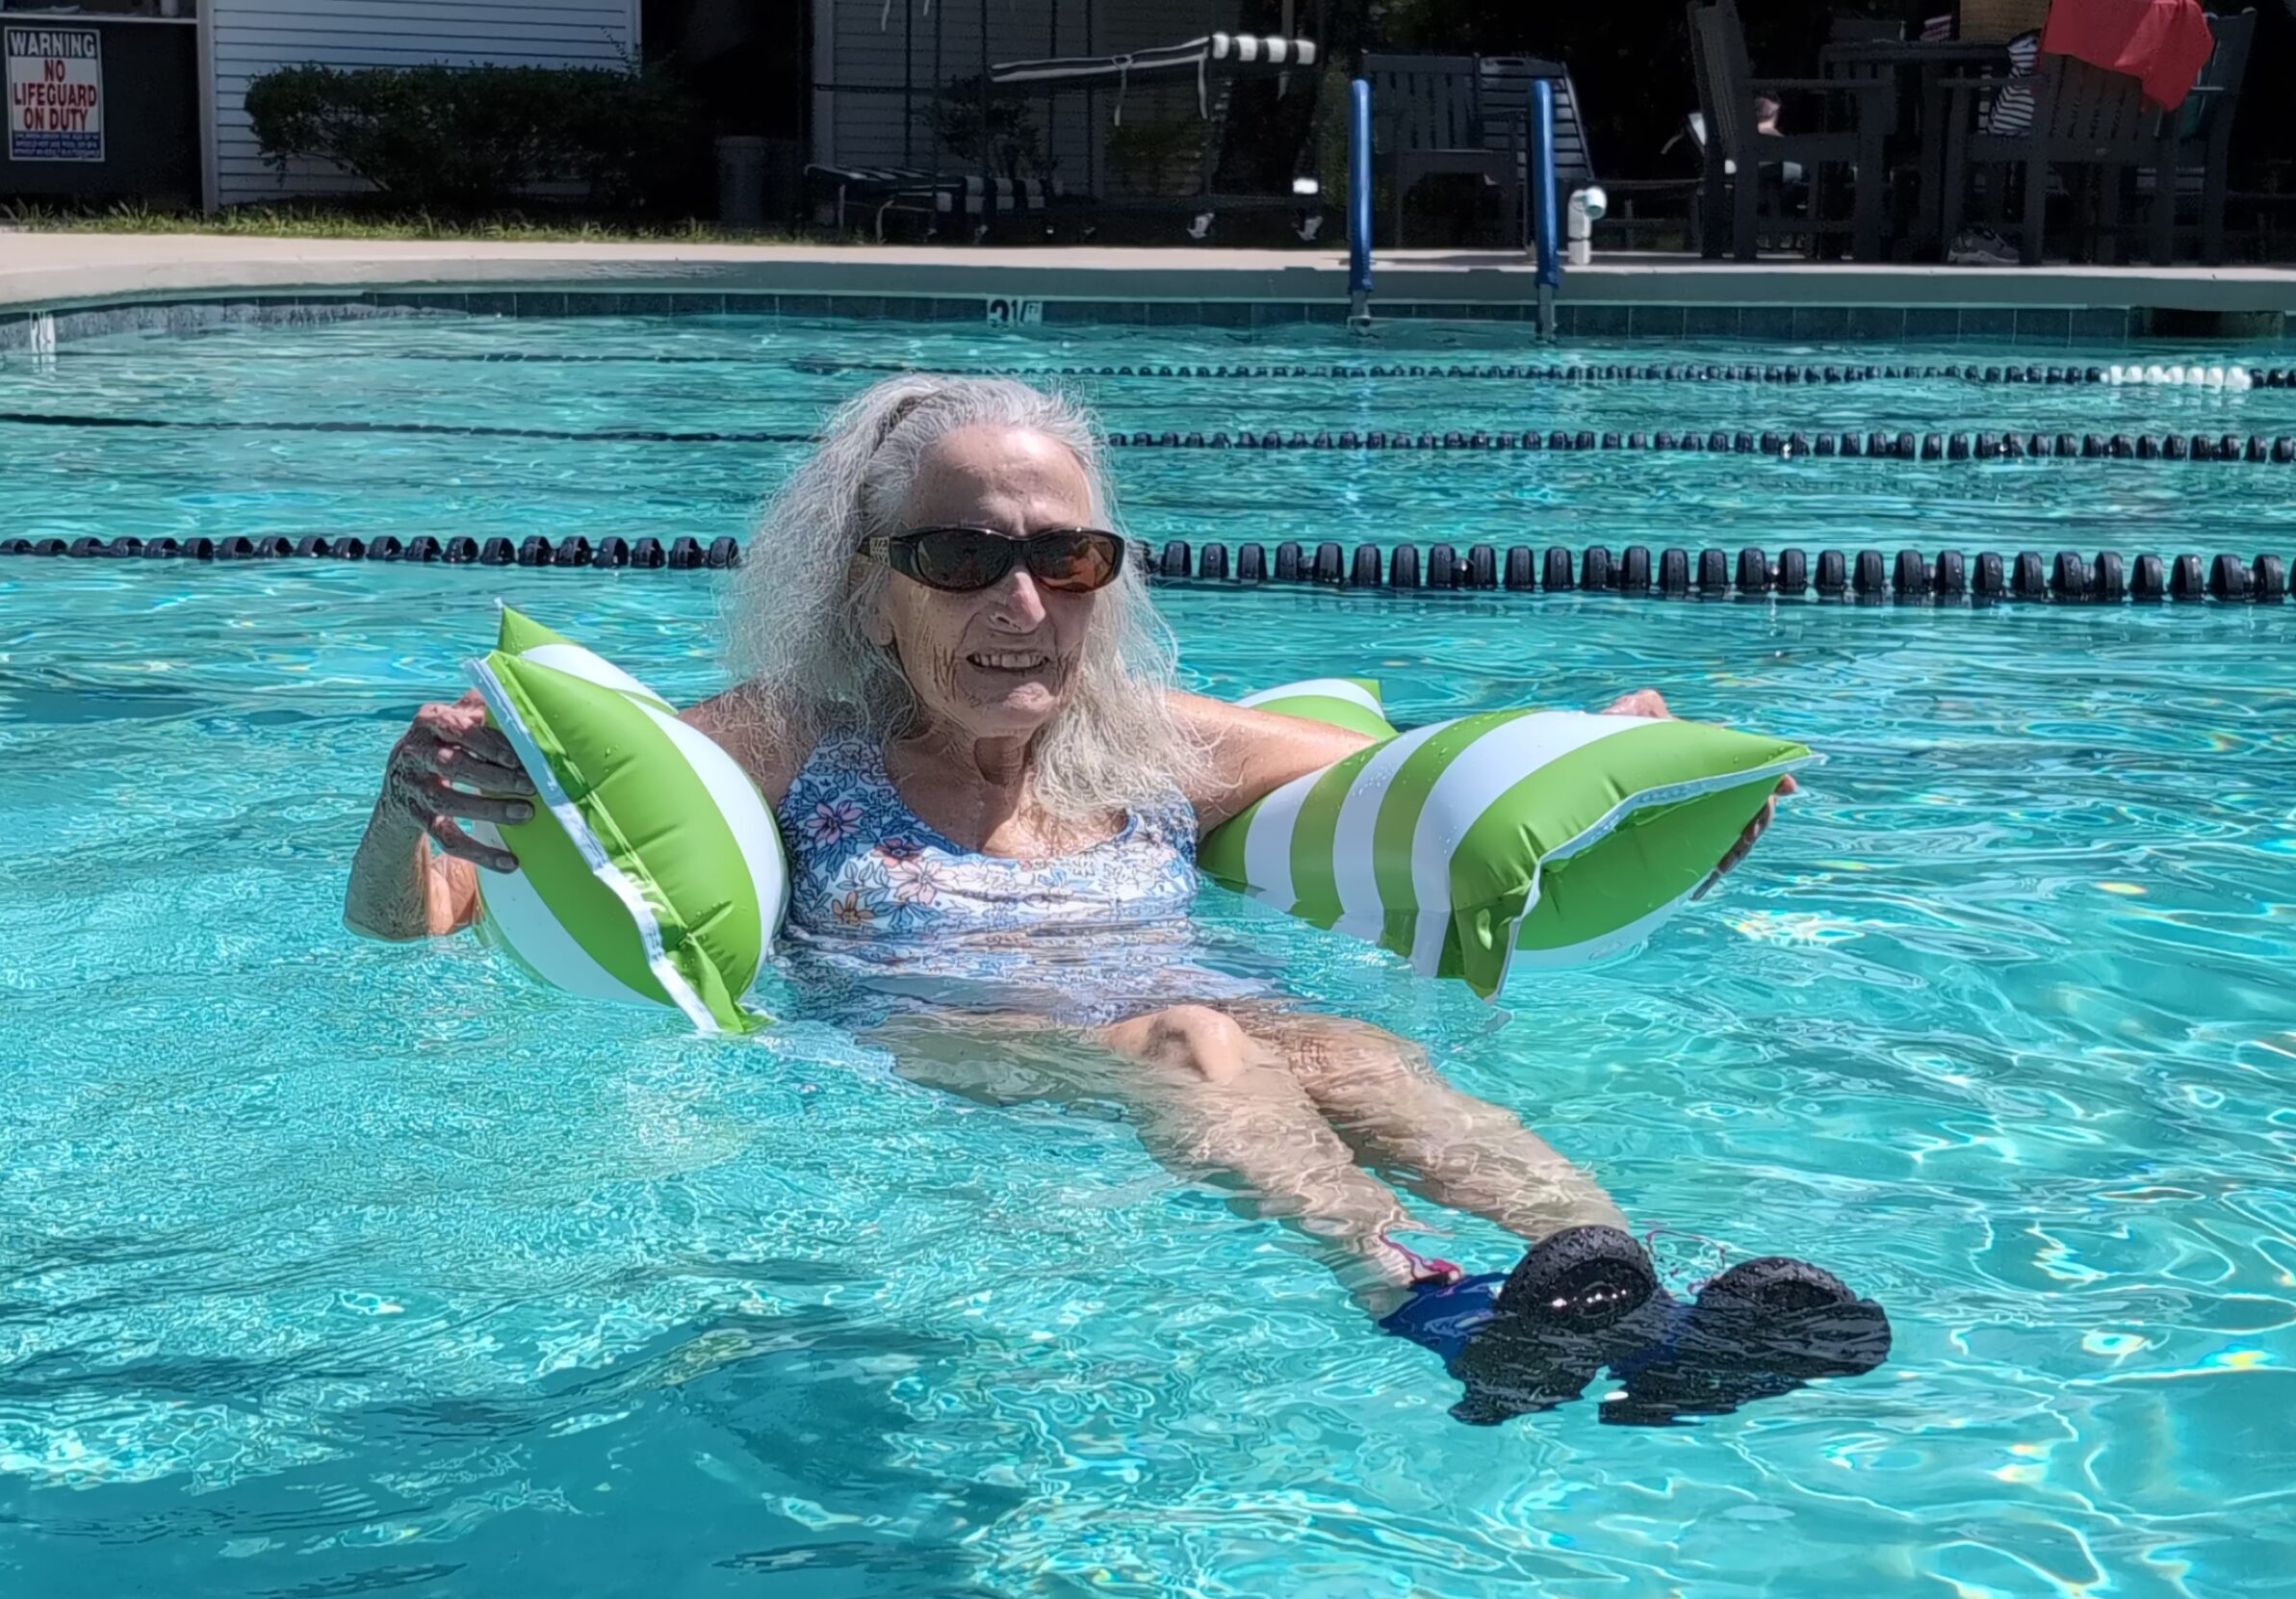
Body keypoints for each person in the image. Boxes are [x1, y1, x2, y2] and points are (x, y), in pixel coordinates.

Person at [346, 374, 1864, 1414]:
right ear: (870, 587)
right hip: (933, 1043)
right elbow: (434, 919)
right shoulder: (792, 740)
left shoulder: (1158, 746)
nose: (1022, 602)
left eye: (1065, 557)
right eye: (961, 557)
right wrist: (413, 804)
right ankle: (1420, 1293)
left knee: (1356, 1054)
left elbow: (1423, 786)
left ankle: (1649, 1304)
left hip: (1208, 1021)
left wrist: (1628, 777)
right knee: (1197, 1042)